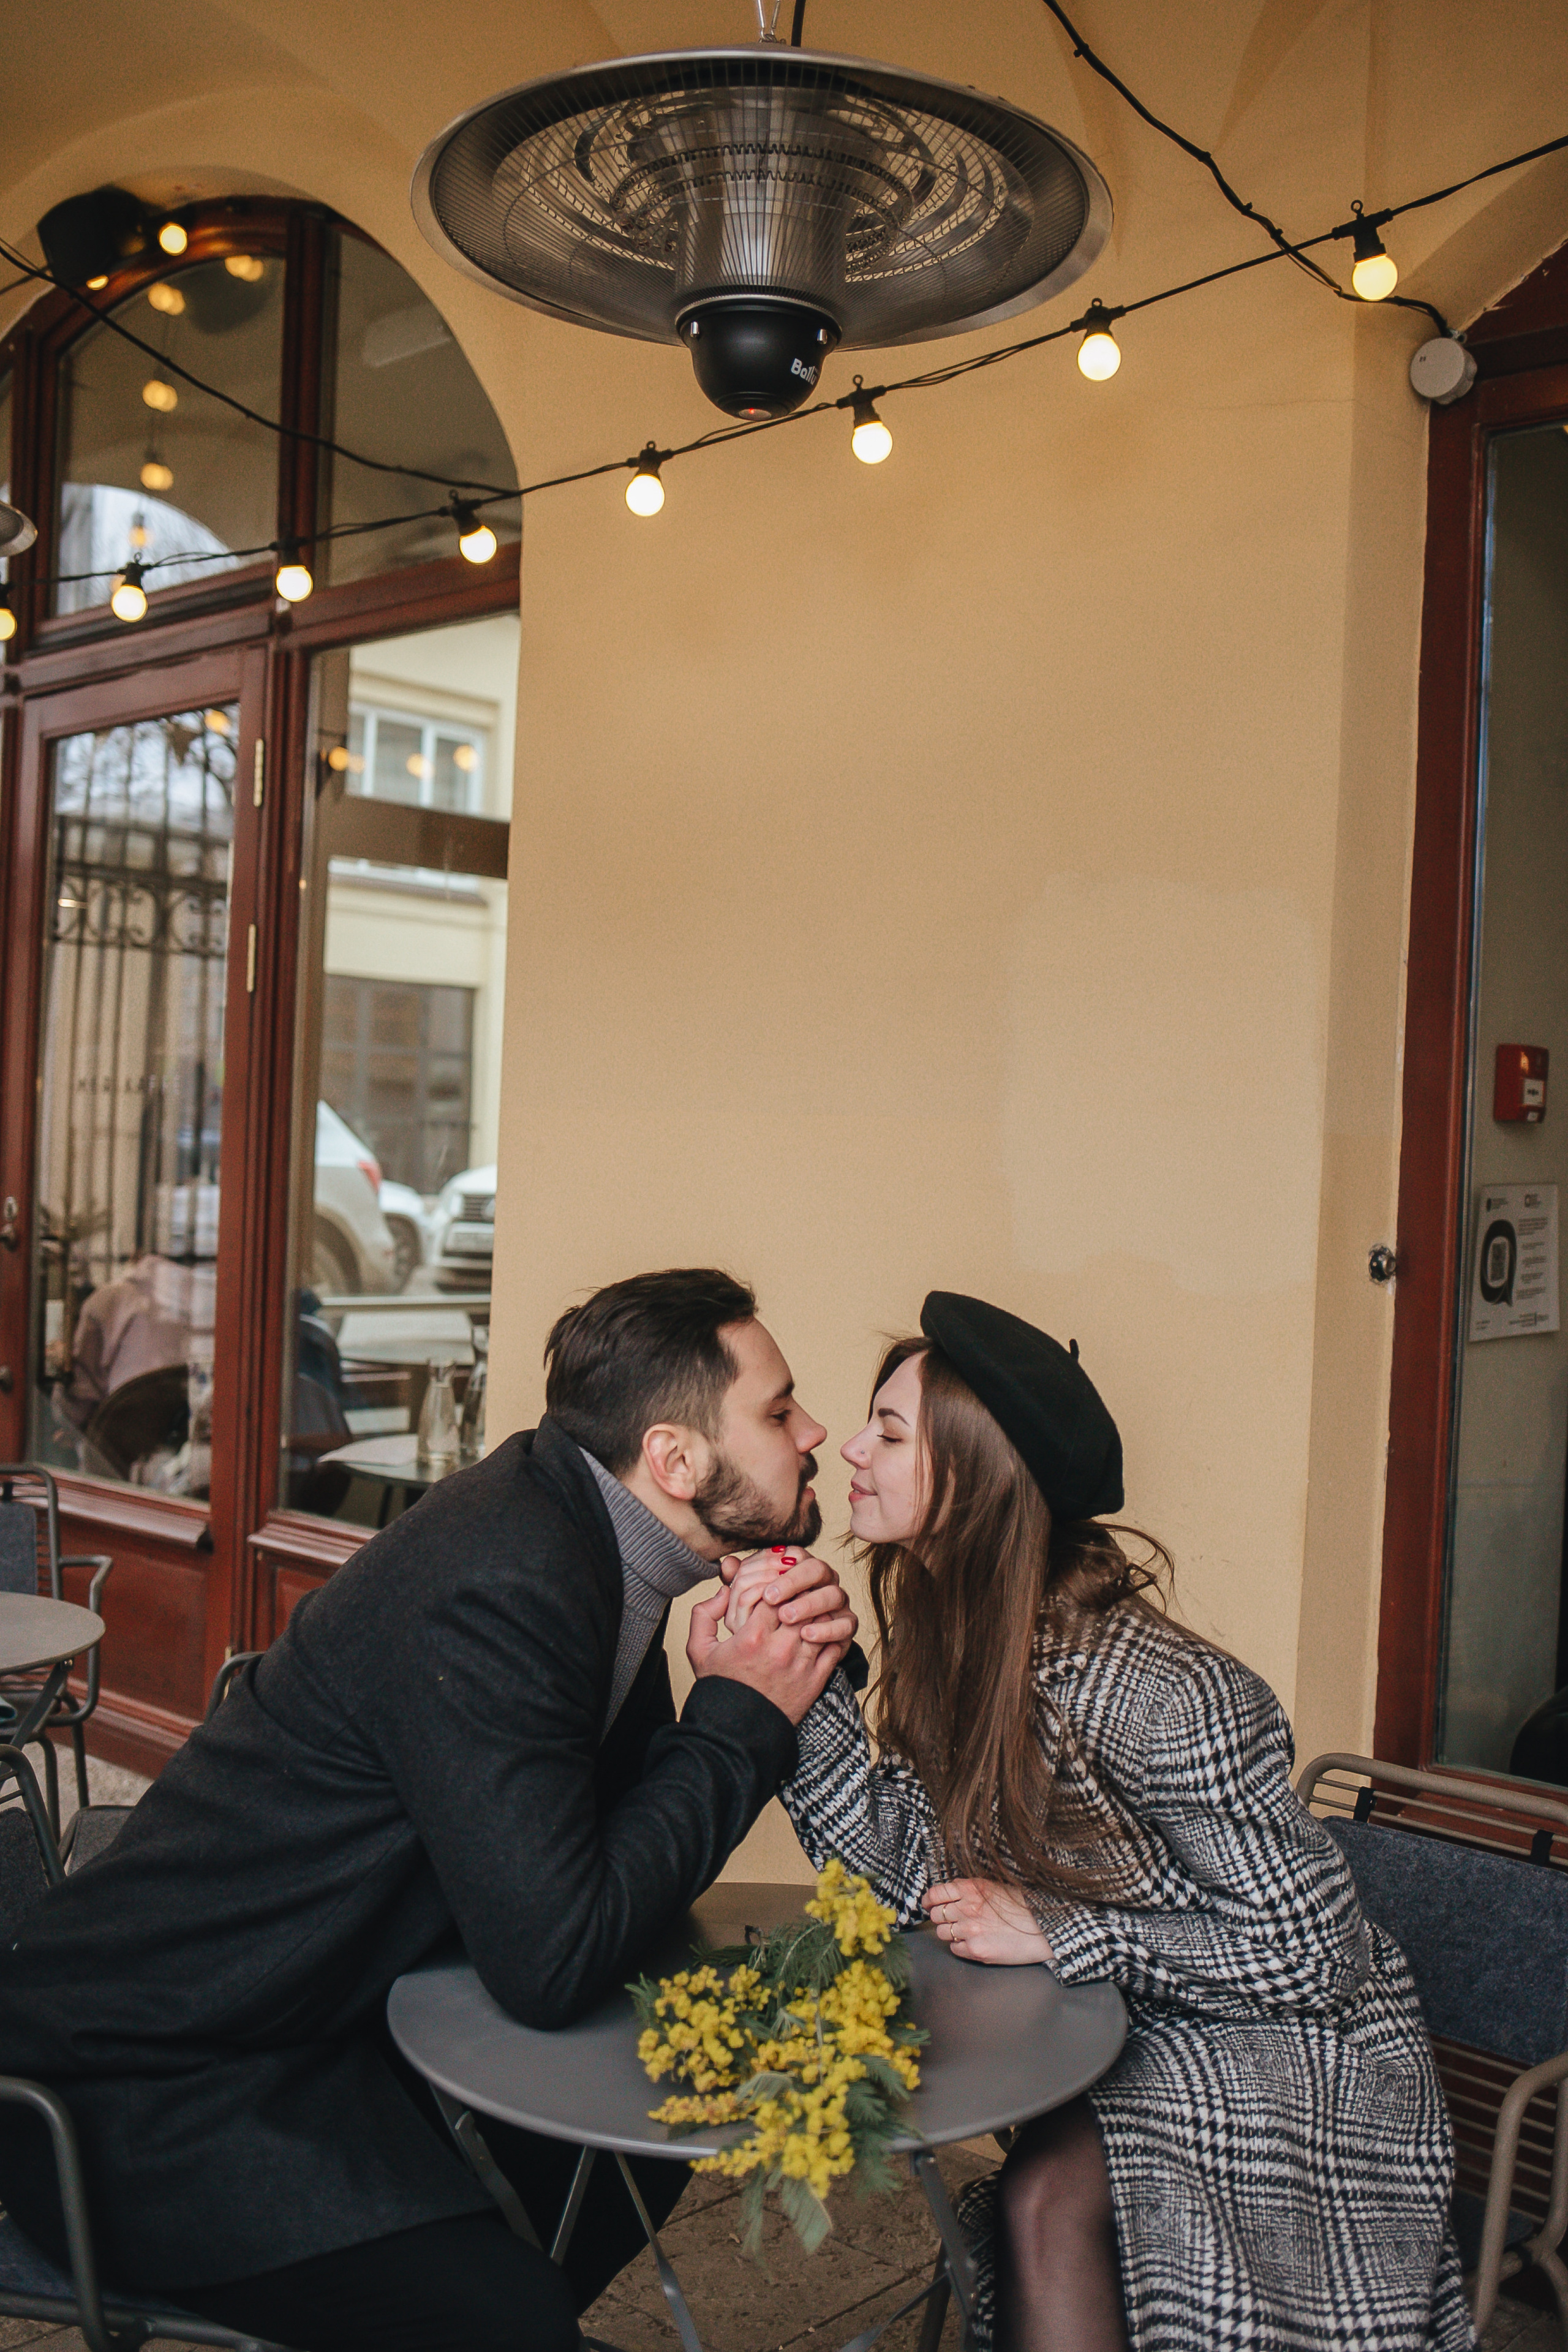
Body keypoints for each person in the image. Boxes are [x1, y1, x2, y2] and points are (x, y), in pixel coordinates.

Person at [0, 1268, 857, 2352]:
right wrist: (739, 1715)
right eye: (779, 1411)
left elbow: (595, 1853)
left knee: (647, 2129)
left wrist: (761, 1676)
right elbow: (553, 1957)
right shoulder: (504, 1578)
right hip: (148, 2076)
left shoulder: (589, 1537)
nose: (814, 1432)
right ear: (674, 1460)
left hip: (325, 2017)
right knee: (508, 2311)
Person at [777, 1291, 1472, 2352]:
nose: (853, 1450)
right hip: (1122, 2012)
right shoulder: (955, 1640)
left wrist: (1066, 1932)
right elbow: (905, 1884)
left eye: (892, 1432)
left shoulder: (1167, 1694)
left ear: (979, 1476)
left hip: (1287, 2047)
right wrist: (802, 1677)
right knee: (1044, 2201)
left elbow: (1313, 1952)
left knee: (1043, 2202)